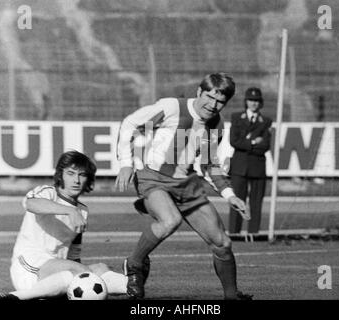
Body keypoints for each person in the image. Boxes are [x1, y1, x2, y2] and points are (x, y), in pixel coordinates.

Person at [115, 72, 251, 300]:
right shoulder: (172, 107)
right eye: (209, 97)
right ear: (199, 91)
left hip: (186, 184)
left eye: (220, 101)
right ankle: (134, 264)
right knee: (170, 220)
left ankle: (231, 295)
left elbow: (208, 164)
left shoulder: (216, 124)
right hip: (153, 177)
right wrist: (126, 164)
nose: (213, 104)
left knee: (222, 243)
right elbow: (131, 123)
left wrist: (230, 195)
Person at [0, 150, 129, 300]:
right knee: (78, 272)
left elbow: (74, 256)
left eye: (82, 175)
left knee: (101, 268)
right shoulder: (48, 193)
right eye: (70, 173)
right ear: (60, 175)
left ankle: (133, 286)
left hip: (59, 273)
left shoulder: (82, 211)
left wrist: (74, 212)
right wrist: (70, 211)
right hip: (29, 267)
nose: (76, 180)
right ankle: (15, 297)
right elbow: (32, 204)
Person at [228, 87, 272, 237]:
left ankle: (254, 233)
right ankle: (234, 232)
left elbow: (265, 145)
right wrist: (253, 142)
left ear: (260, 103)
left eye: (257, 101)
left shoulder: (265, 121)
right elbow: (234, 141)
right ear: (246, 101)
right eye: (251, 100)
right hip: (239, 167)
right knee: (237, 202)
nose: (253, 103)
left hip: (257, 167)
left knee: (256, 203)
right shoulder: (236, 117)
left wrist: (246, 142)